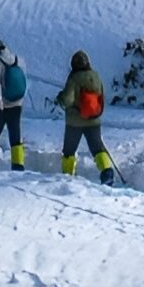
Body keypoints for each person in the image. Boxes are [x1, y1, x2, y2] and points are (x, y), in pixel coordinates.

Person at [52, 49, 117, 185]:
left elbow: (67, 100)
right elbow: (101, 96)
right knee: (98, 148)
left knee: (69, 150)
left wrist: (60, 98)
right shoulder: (96, 76)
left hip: (75, 122)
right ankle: (107, 171)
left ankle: (68, 177)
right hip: (93, 119)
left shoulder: (74, 78)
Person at [0, 31, 27, 172]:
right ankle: (18, 166)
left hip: (2, 106)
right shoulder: (17, 59)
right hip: (17, 104)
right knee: (16, 137)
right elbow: (23, 80)